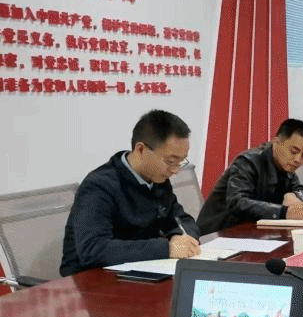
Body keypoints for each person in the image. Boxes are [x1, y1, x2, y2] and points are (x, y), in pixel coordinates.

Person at [60, 109, 201, 276]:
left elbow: (180, 219)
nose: (175, 170)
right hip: (90, 279)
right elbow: (93, 249)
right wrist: (166, 248)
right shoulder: (99, 186)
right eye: (170, 161)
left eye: (181, 161)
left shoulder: (158, 180)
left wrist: (183, 237)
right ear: (140, 149)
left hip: (138, 271)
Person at [196, 118, 303, 234]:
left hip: (253, 232)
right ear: (276, 142)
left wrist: (294, 196)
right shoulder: (248, 162)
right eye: (294, 151)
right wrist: (283, 212)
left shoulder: (286, 167)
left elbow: (302, 191)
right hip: (217, 234)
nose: (298, 159)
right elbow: (237, 202)